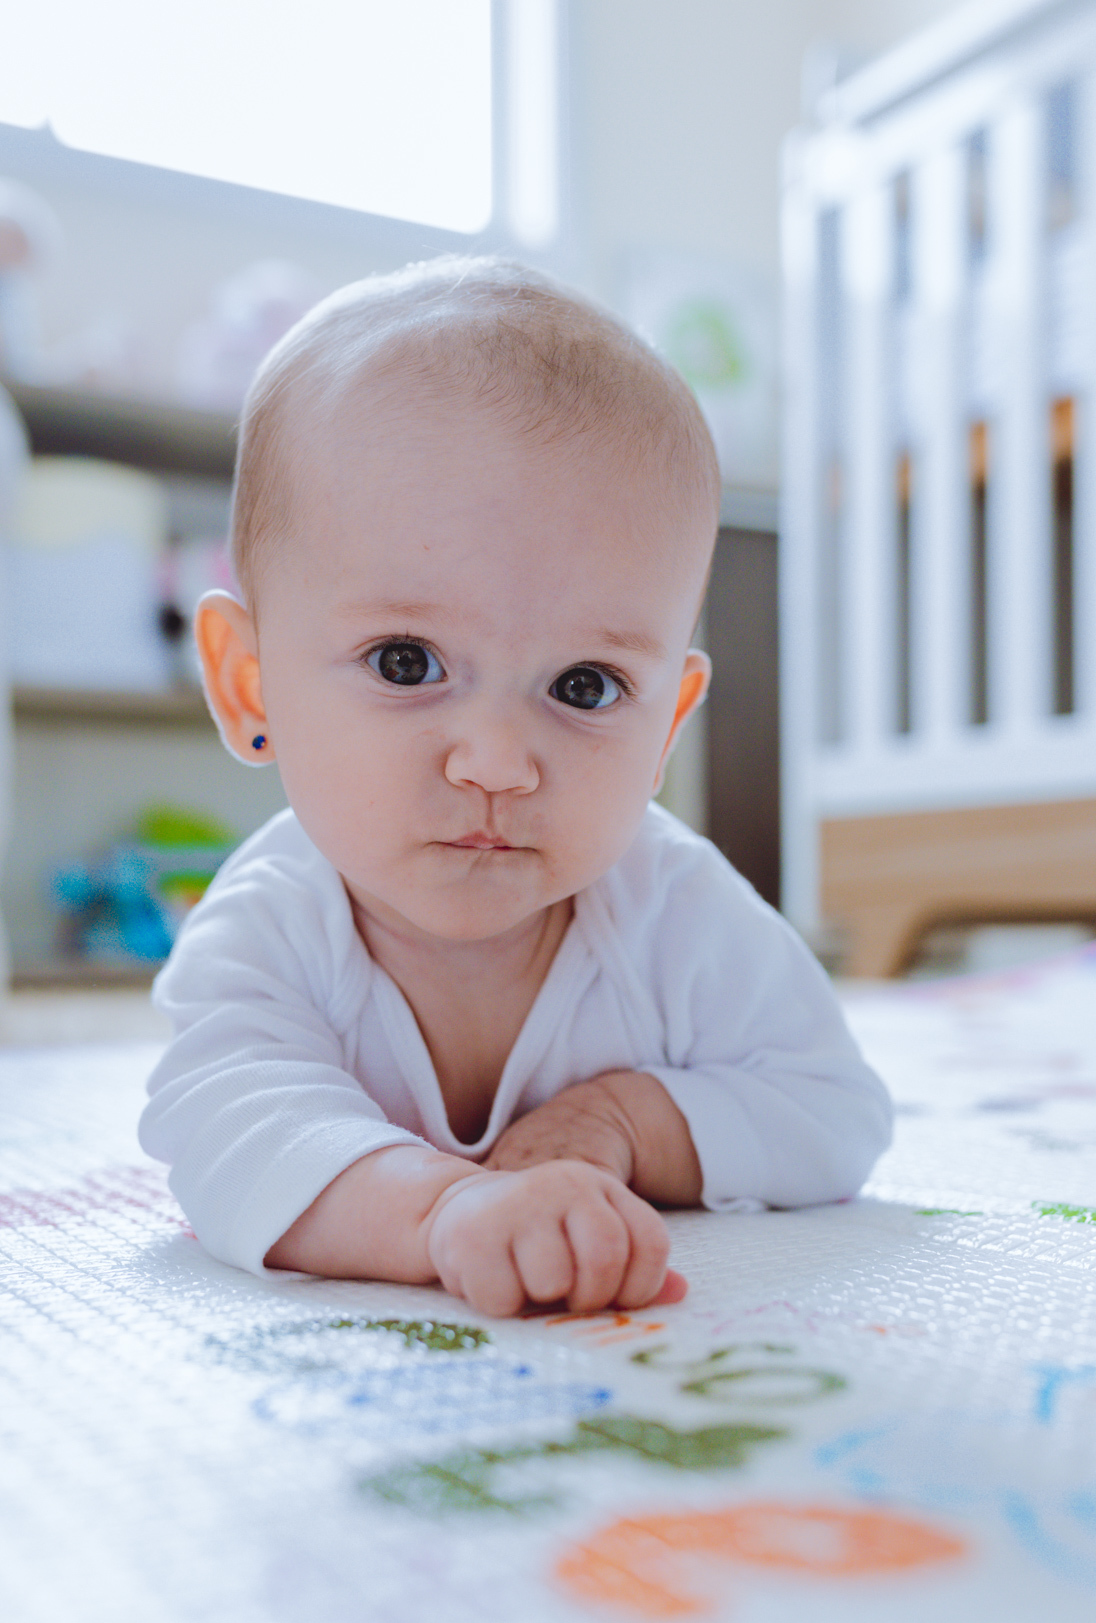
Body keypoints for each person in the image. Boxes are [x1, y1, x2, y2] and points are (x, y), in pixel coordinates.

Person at [140, 256, 891, 1318]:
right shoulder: (271, 933)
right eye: (407, 663)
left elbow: (833, 1114)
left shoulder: (674, 906)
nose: (496, 762)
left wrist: (631, 1122)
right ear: (246, 681)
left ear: (667, 723)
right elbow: (233, 1139)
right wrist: (443, 1212)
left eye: (585, 687)